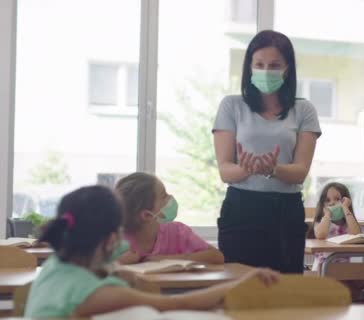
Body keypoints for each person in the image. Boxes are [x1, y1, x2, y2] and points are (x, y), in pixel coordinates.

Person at [25, 185, 278, 318]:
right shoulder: (98, 293)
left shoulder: (54, 267)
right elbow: (179, 303)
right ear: (112, 239)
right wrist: (242, 282)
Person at [212, 30, 321, 273]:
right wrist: (245, 168)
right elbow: (225, 170)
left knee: (284, 293)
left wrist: (274, 169)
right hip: (241, 208)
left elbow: (301, 171)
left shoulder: (304, 110)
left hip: (285, 211)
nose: (266, 71)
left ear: (287, 68)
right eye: (259, 64)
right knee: (237, 290)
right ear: (249, 67)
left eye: (274, 65)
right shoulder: (231, 106)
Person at [114, 172, 224, 265]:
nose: (170, 198)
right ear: (147, 215)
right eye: (164, 196)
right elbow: (98, 274)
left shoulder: (178, 232)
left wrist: (167, 260)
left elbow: (217, 257)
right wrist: (118, 263)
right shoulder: (114, 240)